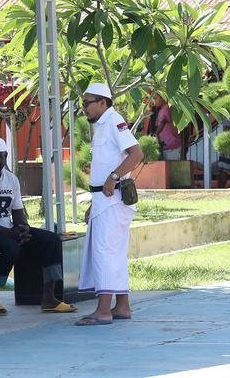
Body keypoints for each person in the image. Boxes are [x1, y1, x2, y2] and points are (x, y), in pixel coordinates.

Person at [0, 136, 77, 316]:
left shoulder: (11, 179)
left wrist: (23, 228)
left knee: (51, 240)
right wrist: (11, 233)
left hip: (6, 229)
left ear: (5, 156)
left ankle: (49, 298)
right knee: (11, 247)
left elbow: (17, 211)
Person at [76, 83, 143, 326]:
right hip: (104, 200)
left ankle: (103, 310)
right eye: (83, 103)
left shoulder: (114, 121)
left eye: (88, 103)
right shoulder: (102, 125)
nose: (84, 108)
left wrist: (113, 177)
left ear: (103, 102)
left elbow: (136, 154)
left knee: (105, 253)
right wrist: (93, 203)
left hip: (113, 198)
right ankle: (122, 306)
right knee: (114, 253)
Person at [152, 92, 182, 161]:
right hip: (168, 146)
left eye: (156, 98)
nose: (154, 101)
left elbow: (163, 121)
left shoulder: (166, 108)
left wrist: (156, 133)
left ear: (163, 98)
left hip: (173, 146)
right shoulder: (162, 110)